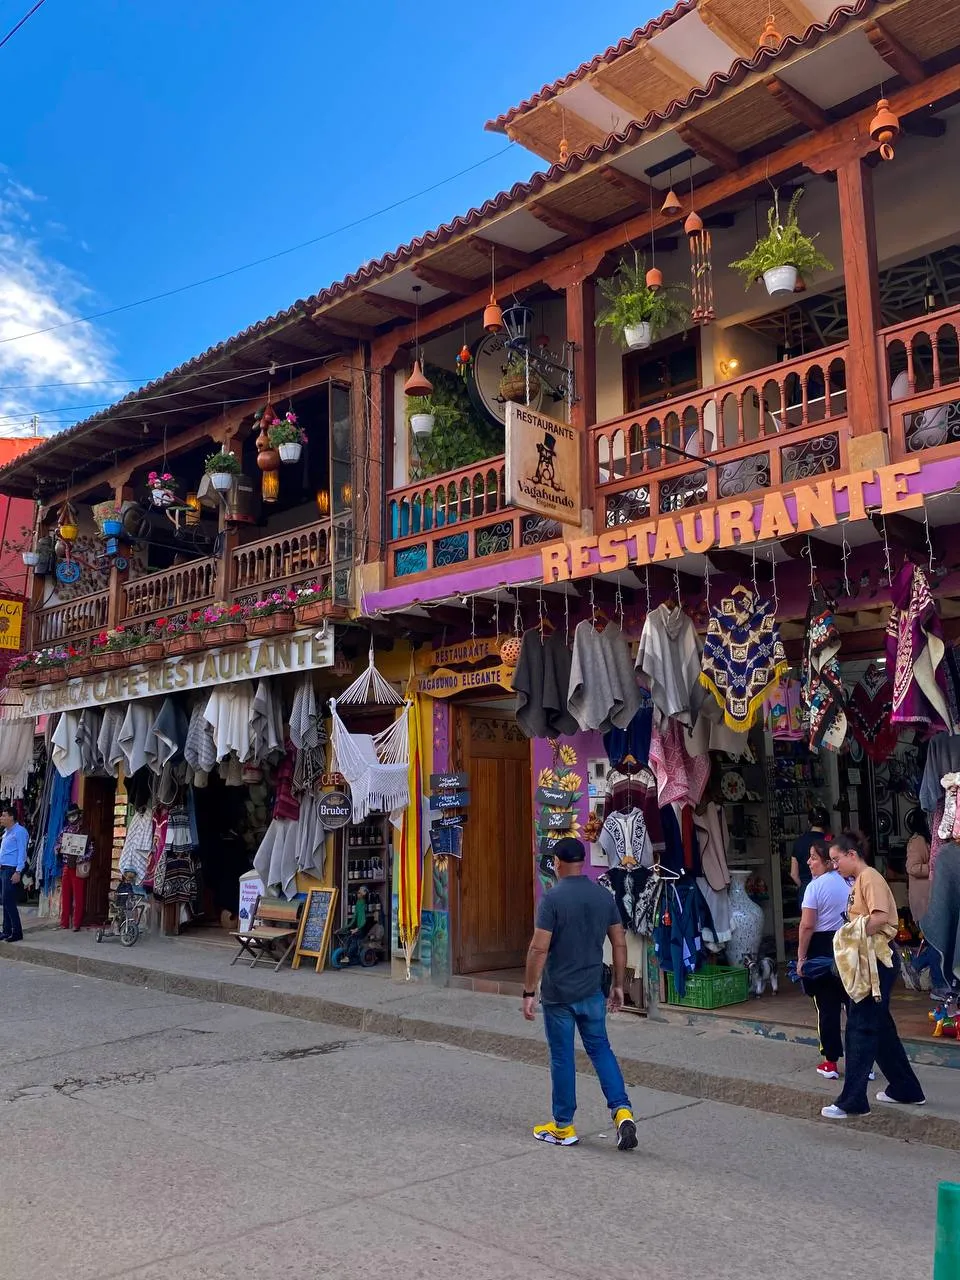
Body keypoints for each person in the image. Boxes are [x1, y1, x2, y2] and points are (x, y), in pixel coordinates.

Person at [522, 837, 637, 1151]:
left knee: (562, 1058)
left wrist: (529, 991)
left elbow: (538, 949)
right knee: (601, 1050)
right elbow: (619, 943)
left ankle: (562, 1126)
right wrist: (618, 985)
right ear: (582, 862)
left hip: (560, 995)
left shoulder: (553, 899)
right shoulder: (603, 896)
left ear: (557, 864)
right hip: (592, 992)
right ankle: (622, 1111)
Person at [821, 833, 926, 1120]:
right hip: (873, 959)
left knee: (861, 1028)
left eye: (836, 859)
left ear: (851, 855)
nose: (834, 866)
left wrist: (847, 934)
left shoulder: (869, 877)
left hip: (876, 961)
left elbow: (879, 918)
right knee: (880, 1030)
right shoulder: (861, 880)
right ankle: (906, 1088)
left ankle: (853, 1100)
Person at [797, 842, 850, 1079]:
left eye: (813, 858)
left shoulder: (814, 887)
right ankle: (864, 1062)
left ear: (828, 861)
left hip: (821, 947)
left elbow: (807, 925)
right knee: (854, 1005)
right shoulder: (852, 882)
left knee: (827, 1008)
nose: (809, 862)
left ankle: (830, 1062)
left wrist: (801, 958)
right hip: (848, 944)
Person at [901, 813, 950, 995]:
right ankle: (938, 986)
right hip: (924, 901)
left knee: (936, 943)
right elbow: (912, 867)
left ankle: (915, 964)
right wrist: (934, 867)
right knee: (937, 943)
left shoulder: (932, 840)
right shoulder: (918, 841)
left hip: (934, 899)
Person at [57, 802, 93, 932]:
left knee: (78, 896)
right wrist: (57, 849)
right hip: (67, 866)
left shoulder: (85, 830)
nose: (72, 819)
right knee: (65, 895)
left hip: (78, 867)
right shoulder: (65, 830)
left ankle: (77, 923)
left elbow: (91, 850)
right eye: (70, 817)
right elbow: (58, 843)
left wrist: (82, 858)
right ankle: (64, 922)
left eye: (74, 816)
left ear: (78, 815)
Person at [790, 804, 831, 907]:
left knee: (807, 921)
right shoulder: (830, 842)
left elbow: (793, 874)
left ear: (809, 822)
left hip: (805, 888)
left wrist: (803, 886)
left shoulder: (799, 842)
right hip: (827, 888)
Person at [0, 807, 29, 943]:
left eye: (4, 815)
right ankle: (6, 930)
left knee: (8, 900)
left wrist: (18, 871)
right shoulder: (6, 833)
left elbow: (22, 853)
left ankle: (16, 931)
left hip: (12, 870)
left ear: (11, 817)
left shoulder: (20, 832)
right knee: (5, 900)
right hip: (3, 869)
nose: (1, 818)